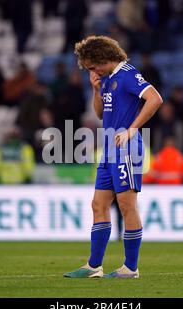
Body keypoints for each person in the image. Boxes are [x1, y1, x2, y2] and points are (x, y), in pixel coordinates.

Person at [64, 35, 163, 279]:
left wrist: (132, 129)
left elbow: (155, 99)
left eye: (92, 65)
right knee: (98, 205)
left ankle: (130, 268)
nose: (91, 70)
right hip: (109, 150)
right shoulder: (107, 79)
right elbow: (99, 113)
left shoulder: (128, 74)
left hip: (127, 148)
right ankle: (94, 266)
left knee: (127, 205)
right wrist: (96, 89)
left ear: (105, 58)